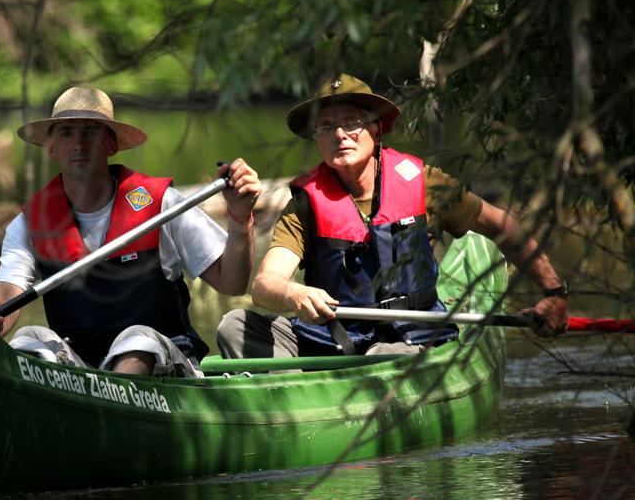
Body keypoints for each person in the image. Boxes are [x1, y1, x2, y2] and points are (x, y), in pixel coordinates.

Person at [217, 73, 568, 360]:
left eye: (351, 123)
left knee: (381, 355)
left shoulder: (425, 183)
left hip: (410, 336)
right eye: (325, 127)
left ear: (377, 130)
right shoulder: (306, 202)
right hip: (332, 339)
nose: (339, 135)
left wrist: (553, 291)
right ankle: (290, 402)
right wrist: (293, 293)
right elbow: (265, 284)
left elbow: (501, 226)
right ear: (316, 139)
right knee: (234, 325)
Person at [0, 87, 261, 376]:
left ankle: (109, 411)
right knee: (29, 339)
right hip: (82, 370)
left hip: (163, 363)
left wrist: (241, 219)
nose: (79, 144)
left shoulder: (162, 204)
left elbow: (232, 283)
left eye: (91, 132)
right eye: (66, 133)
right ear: (51, 147)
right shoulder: (29, 224)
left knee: (136, 340)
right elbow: (7, 291)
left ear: (111, 145)